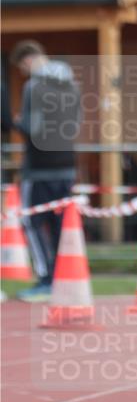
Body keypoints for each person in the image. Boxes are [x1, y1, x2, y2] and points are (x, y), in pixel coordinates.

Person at [10, 40, 80, 302]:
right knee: (62, 224)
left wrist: (18, 123)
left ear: (27, 61)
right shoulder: (71, 85)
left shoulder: (34, 86)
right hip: (66, 164)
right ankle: (65, 277)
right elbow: (75, 123)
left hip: (39, 167)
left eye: (22, 68)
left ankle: (45, 279)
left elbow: (34, 128)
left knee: (32, 221)